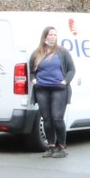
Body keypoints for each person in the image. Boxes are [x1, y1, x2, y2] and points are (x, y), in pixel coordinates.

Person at [29, 26, 75, 158]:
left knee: (57, 118)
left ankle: (61, 147)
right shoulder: (37, 53)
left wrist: (65, 81)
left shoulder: (62, 52)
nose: (53, 37)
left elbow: (71, 69)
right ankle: (50, 146)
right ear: (44, 37)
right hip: (42, 89)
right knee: (47, 119)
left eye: (55, 35)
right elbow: (32, 71)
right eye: (50, 35)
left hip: (59, 89)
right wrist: (34, 80)